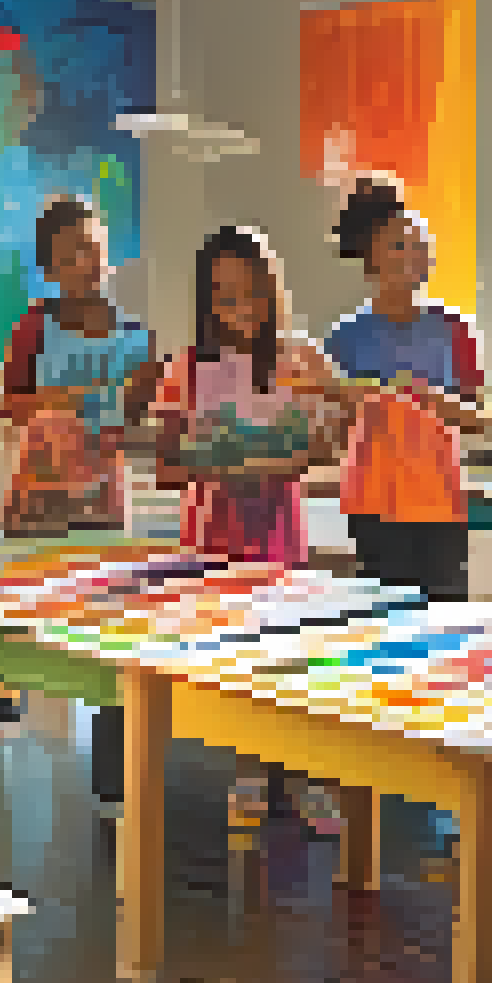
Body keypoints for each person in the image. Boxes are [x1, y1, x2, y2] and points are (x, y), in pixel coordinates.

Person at [154, 224, 345, 832]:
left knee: (290, 650)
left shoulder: (299, 358)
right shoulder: (188, 366)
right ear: (207, 301)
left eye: (252, 293)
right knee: (233, 655)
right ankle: (251, 772)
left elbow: (330, 438)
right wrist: (215, 462)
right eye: (225, 296)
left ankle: (304, 772)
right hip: (214, 533)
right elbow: (165, 465)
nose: (240, 308)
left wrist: (299, 452)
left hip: (279, 532)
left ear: (272, 290)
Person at [1, 198, 160, 783]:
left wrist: (145, 395)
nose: (85, 263)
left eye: (92, 249)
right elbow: (9, 405)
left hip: (104, 495)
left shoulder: (136, 335)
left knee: (110, 619)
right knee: (35, 612)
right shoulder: (34, 326)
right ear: (50, 266)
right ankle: (16, 710)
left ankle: (112, 767)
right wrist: (56, 399)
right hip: (41, 492)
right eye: (70, 255)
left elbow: (141, 420)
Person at [321, 181, 485, 602]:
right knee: (386, 620)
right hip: (373, 505)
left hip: (440, 503)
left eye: (420, 246)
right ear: (370, 256)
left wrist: (432, 399)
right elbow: (333, 432)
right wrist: (349, 404)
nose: (413, 255)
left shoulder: (456, 328)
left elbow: (479, 417)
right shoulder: (343, 339)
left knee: (447, 621)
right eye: (399, 246)